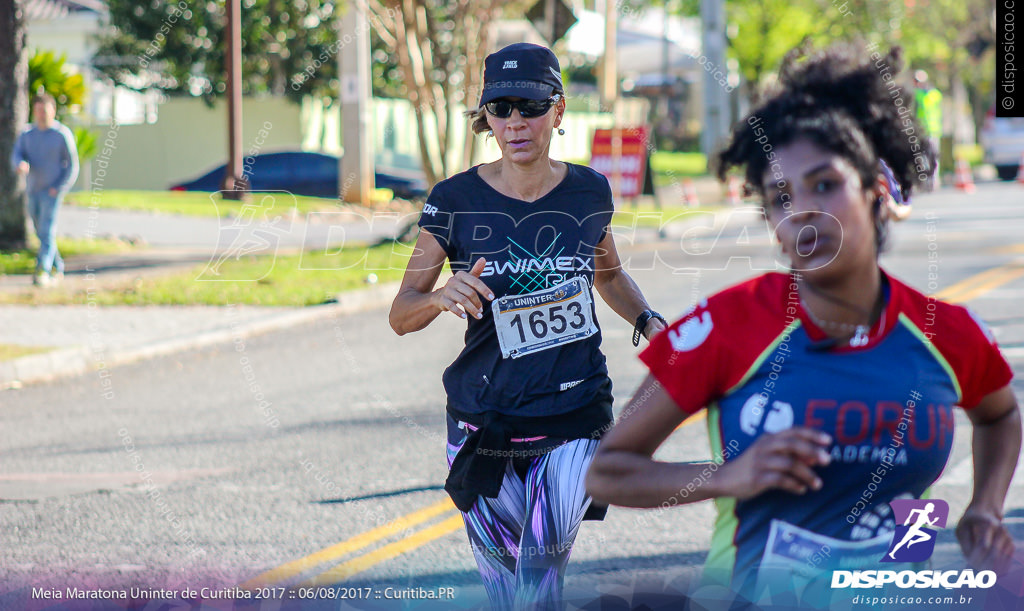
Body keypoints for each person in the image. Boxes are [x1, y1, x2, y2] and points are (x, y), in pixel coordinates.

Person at [585, 44, 1020, 606]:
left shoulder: (947, 332)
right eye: (780, 198)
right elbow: (609, 472)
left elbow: (1001, 413)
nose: (803, 213)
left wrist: (984, 506)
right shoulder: (726, 327)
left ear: (876, 191)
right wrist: (727, 476)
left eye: (825, 184)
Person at [389, 42, 667, 610]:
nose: (516, 122)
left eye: (531, 107)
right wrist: (442, 295)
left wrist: (646, 318)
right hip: (482, 420)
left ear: (558, 111)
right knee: (504, 594)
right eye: (501, 108)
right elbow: (401, 313)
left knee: (537, 580)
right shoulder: (454, 200)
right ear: (486, 117)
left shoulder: (589, 191)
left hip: (572, 412)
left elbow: (608, 275)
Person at [11, 93, 80, 287]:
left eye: (45, 111)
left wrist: (59, 187)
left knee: (47, 230)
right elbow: (16, 155)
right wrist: (20, 164)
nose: (41, 114)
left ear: (53, 111)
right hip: (32, 190)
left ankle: (43, 270)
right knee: (41, 232)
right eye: (38, 110)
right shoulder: (27, 134)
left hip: (52, 192)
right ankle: (58, 266)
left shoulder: (61, 134)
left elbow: (72, 166)